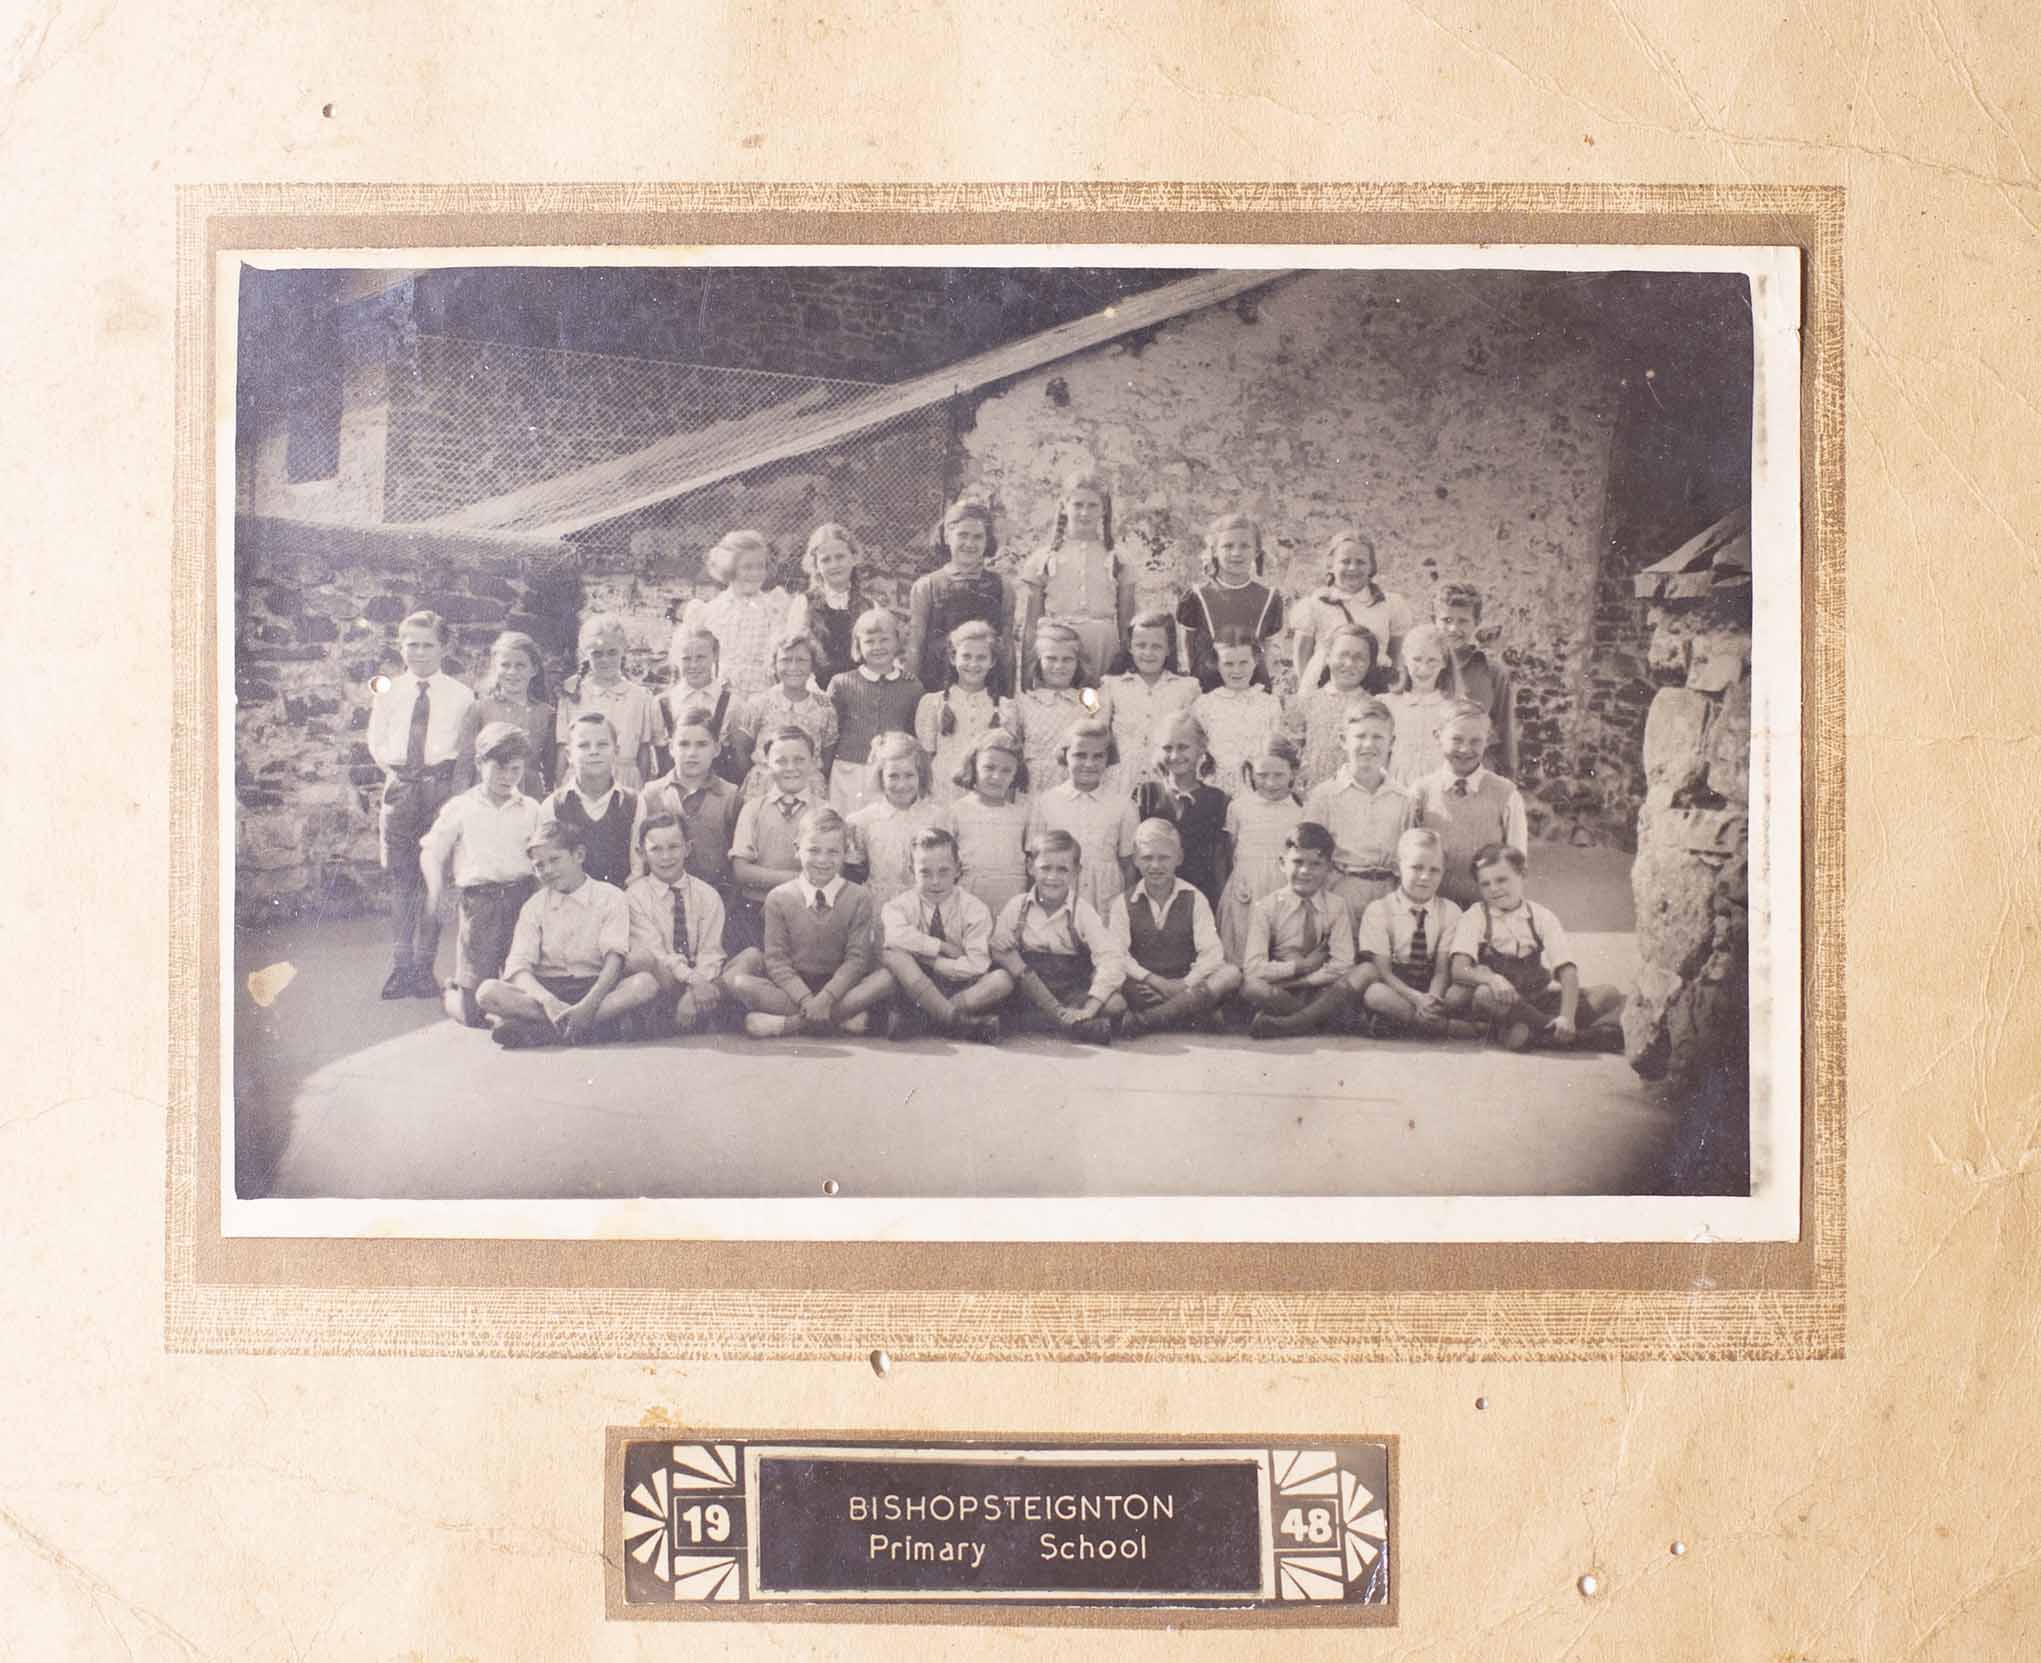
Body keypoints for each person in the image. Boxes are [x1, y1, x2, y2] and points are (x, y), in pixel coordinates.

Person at [475, 818, 660, 1048]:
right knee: (487, 992)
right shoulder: (534, 906)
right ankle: (595, 1028)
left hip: (595, 987)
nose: (548, 870)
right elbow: (518, 967)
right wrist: (548, 1001)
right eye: (539, 865)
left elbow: (615, 960)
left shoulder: (611, 897)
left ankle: (543, 1032)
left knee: (645, 983)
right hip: (548, 990)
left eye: (555, 859)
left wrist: (589, 1005)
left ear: (579, 855)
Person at [368, 609, 475, 998]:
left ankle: (424, 968)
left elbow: (464, 750)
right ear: (400, 646)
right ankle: (400, 968)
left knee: (434, 882)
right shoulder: (389, 691)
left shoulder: (462, 696)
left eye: (428, 645)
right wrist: (399, 774)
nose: (419, 652)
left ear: (444, 647)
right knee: (401, 881)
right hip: (402, 790)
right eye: (411, 644)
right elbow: (376, 742)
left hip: (440, 791)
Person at [722, 807, 893, 1038]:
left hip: (840, 988)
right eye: (813, 850)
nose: (822, 860)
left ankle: (788, 1025)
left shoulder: (858, 896)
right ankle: (840, 1020)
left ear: (846, 853)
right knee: (740, 982)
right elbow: (777, 962)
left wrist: (825, 999)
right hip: (792, 989)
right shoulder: (779, 897)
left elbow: (856, 961)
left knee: (886, 979)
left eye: (833, 852)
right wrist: (807, 1000)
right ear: (797, 849)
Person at [422, 721, 545, 1026]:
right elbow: (432, 850)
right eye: (499, 768)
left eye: (515, 769)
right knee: (472, 1014)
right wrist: (436, 890)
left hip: (523, 900)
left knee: (525, 984)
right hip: (480, 905)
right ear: (479, 764)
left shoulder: (531, 809)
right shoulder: (461, 807)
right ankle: (453, 992)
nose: (507, 777)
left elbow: (543, 858)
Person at [1448, 843, 1626, 1052]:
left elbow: (1567, 970)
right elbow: (1459, 969)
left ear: (1523, 875)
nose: (1494, 888)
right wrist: (1492, 978)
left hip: (1539, 999)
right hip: (1505, 1002)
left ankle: (1538, 1032)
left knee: (1609, 994)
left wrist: (1567, 1017)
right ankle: (1581, 1037)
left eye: (1501, 879)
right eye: (1485, 884)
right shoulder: (1475, 916)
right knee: (1483, 994)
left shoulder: (1541, 916)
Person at [1107, 819, 1242, 1038]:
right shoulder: (1122, 903)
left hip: (1187, 984)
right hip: (1145, 987)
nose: (1155, 865)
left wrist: (1182, 985)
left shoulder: (1195, 897)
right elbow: (1118, 955)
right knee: (1109, 979)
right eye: (1147, 858)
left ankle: (1148, 1020)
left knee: (1231, 973)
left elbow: (1212, 953)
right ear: (1135, 860)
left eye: (1164, 858)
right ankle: (1188, 1013)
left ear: (1179, 858)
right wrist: (1156, 982)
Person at [987, 829, 1123, 1043]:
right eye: (1045, 868)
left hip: (1069, 990)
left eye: (1062, 869)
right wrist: (999, 940)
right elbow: (997, 948)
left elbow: (1111, 958)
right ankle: (1067, 1023)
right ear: (1031, 867)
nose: (1052, 877)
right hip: (1026, 991)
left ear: (1076, 871)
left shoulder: (1082, 910)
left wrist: (1090, 1008)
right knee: (999, 977)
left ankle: (1036, 1022)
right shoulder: (1017, 906)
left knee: (1115, 1004)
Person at [878, 826, 1008, 1042]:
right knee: (893, 956)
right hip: (914, 985)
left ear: (958, 869)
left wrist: (931, 960)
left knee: (1002, 980)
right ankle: (955, 1021)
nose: (935, 881)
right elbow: (894, 937)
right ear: (911, 870)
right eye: (925, 872)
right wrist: (941, 947)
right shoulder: (898, 905)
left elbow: (977, 965)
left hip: (959, 988)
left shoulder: (974, 909)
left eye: (944, 871)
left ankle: (925, 1017)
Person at [1356, 827, 1484, 1039]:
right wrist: (1417, 999)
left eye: (1434, 870)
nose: (1425, 877)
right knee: (1374, 994)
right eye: (1416, 867)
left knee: (1459, 992)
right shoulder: (1379, 910)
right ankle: (1442, 1027)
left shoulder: (1450, 911)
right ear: (1398, 868)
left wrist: (1431, 999)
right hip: (1398, 987)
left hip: (1434, 986)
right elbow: (1384, 972)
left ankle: (1407, 1023)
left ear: (1443, 872)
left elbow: (1442, 971)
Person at [1016, 467, 1134, 688]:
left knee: (1095, 708)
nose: (1084, 512)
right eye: (1078, 504)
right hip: (1058, 649)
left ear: (1104, 510)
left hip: (1103, 647)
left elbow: (1128, 624)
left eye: (1093, 506)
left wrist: (1127, 667)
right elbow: (1031, 625)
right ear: (1063, 507)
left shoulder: (1118, 558)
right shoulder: (1043, 558)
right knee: (1062, 707)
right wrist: (1026, 677)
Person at [1240, 821, 1356, 1039]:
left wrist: (1302, 980)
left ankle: (1292, 1023)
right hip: (1282, 989)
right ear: (1282, 863)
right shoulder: (1266, 907)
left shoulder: (1337, 906)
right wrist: (1301, 966)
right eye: (1298, 862)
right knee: (1252, 988)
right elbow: (1253, 968)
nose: (1305, 871)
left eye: (1316, 864)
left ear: (1329, 867)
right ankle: (1319, 1020)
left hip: (1319, 987)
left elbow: (1343, 964)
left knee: (1361, 973)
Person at [1409, 701, 1530, 909]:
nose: (1465, 749)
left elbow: (1517, 862)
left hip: (1486, 910)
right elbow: (1408, 856)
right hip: (1432, 911)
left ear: (1488, 740)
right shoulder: (1421, 792)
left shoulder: (1505, 793)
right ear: (1437, 737)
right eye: (1456, 739)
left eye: (1476, 741)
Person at [1302, 698, 1415, 915]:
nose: (1368, 745)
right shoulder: (1324, 796)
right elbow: (1309, 855)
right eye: (1360, 736)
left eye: (1378, 737)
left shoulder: (1403, 798)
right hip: (1341, 892)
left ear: (1392, 742)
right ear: (1344, 740)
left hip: (1389, 896)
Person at [624, 812, 728, 1035]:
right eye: (656, 849)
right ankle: (660, 1017)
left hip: (701, 981)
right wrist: (692, 980)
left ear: (688, 849)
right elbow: (656, 953)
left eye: (673, 847)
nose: (666, 857)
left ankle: (699, 1009)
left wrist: (695, 989)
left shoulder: (707, 895)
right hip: (665, 980)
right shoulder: (634, 897)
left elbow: (711, 951)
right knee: (642, 957)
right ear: (641, 853)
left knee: (749, 956)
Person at [726, 726, 827, 953]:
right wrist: (794, 878)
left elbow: (828, 872)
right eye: (781, 761)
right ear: (767, 765)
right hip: (755, 908)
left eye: (799, 760)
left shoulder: (823, 812)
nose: (791, 768)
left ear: (813, 763)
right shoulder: (753, 809)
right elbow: (741, 871)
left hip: (806, 907)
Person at [1027, 718, 1139, 915]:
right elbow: (1034, 859)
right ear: (1065, 756)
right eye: (1080, 755)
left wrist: (1127, 910)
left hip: (1106, 895)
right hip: (1059, 892)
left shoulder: (1124, 806)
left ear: (1108, 758)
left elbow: (1129, 865)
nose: (1089, 764)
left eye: (1098, 756)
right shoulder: (1046, 802)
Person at [634, 708, 743, 905]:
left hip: (717, 898)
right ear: (670, 748)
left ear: (716, 749)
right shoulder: (652, 793)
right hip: (661, 900)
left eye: (702, 744)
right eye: (683, 744)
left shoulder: (730, 795)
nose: (692, 753)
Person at [907, 499, 1016, 695]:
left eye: (977, 537)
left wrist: (1008, 693)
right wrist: (911, 694)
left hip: (987, 685)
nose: (969, 544)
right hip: (938, 682)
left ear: (987, 540)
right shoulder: (926, 586)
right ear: (947, 536)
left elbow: (1007, 646)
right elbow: (916, 644)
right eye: (962, 535)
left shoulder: (1003, 586)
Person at [824, 606, 924, 817]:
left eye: (884, 640)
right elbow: (832, 732)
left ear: (897, 641)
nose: (877, 647)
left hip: (890, 774)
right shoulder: (841, 683)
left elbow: (913, 733)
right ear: (858, 645)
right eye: (869, 641)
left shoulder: (911, 686)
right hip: (848, 770)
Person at [1218, 736, 1306, 964]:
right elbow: (1230, 851)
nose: (1270, 783)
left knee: (1279, 947)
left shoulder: (1301, 812)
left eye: (1278, 775)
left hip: (1283, 885)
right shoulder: (1239, 808)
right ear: (1251, 773)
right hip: (1246, 887)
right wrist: (1238, 880)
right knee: (1242, 946)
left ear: (1293, 772)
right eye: (1262, 775)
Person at [1131, 711, 1231, 910]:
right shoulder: (1146, 794)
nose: (1175, 755)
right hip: (1152, 901)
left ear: (1201, 747)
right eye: (1167, 748)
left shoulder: (1218, 800)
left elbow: (1221, 861)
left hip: (1201, 901)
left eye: (1183, 747)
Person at [1290, 529, 1413, 689]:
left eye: (1361, 562)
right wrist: (1309, 693)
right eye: (1345, 561)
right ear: (1331, 566)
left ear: (1371, 567)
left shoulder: (1389, 604)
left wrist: (1396, 689)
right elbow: (1302, 658)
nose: (1352, 568)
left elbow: (1396, 655)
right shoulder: (1315, 604)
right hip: (1328, 687)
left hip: (1375, 687)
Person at [681, 529, 795, 701]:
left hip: (765, 697)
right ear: (730, 569)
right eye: (747, 567)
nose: (756, 574)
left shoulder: (775, 608)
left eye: (760, 567)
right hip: (720, 699)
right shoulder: (710, 611)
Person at [553, 613, 664, 789]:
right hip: (580, 780)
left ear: (623, 650)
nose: (605, 659)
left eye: (612, 652)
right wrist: (558, 788)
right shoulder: (572, 693)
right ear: (585, 655)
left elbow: (643, 751)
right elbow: (563, 748)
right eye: (597, 654)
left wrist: (641, 789)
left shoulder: (640, 697)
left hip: (625, 780)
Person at [1177, 511, 1284, 691]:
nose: (1236, 553)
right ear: (1214, 551)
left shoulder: (1268, 598)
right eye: (1228, 546)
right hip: (1208, 685)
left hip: (1253, 685)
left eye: (1244, 546)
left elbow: (1268, 647)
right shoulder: (1197, 596)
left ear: (1257, 552)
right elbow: (1188, 645)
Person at [847, 730, 953, 908]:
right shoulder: (863, 820)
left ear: (921, 775)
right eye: (893, 776)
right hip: (880, 907)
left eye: (909, 775)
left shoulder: (937, 818)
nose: (902, 785)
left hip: (923, 907)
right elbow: (855, 873)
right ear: (881, 777)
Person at [915, 619, 1015, 805]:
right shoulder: (933, 703)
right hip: (941, 793)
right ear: (953, 658)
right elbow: (925, 759)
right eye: (966, 656)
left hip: (983, 793)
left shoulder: (1004, 707)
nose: (973, 664)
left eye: (981, 658)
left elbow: (1008, 759)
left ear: (992, 662)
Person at [731, 629, 838, 795]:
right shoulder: (759, 703)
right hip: (764, 788)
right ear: (774, 664)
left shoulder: (824, 708)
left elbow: (827, 755)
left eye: (801, 660)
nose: (793, 667)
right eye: (785, 660)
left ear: (813, 664)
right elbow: (741, 749)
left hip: (808, 789)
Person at [1103, 608, 1200, 788]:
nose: (1148, 653)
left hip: (1168, 779)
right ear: (1130, 647)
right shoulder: (1111, 686)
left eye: (1156, 646)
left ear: (1169, 649)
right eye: (1141, 645)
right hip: (1121, 780)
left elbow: (1193, 736)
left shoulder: (1187, 688)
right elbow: (1099, 731)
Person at [544, 712, 639, 889]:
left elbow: (638, 869)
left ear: (616, 751)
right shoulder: (554, 805)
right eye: (584, 746)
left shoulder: (634, 802)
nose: (594, 752)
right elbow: (551, 867)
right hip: (571, 903)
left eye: (602, 745)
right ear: (569, 755)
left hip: (622, 902)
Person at [456, 630, 555, 797]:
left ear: (534, 669)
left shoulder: (546, 713)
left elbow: (550, 768)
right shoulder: (480, 708)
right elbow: (465, 763)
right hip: (486, 792)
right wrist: (459, 802)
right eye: (505, 665)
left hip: (528, 794)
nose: (512, 672)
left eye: (520, 665)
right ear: (495, 668)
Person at [1432, 580, 1516, 777]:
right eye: (1446, 620)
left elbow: (1505, 733)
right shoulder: (1420, 669)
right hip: (1430, 770)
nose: (1453, 629)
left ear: (1476, 623)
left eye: (1463, 621)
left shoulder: (1493, 672)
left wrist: (1508, 782)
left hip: (1476, 771)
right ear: (1434, 620)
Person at [1287, 622, 1383, 792]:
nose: (1349, 663)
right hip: (1311, 790)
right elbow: (1293, 752)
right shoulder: (1307, 702)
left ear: (1370, 664)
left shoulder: (1374, 707)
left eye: (1359, 658)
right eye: (1342, 655)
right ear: (1328, 656)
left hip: (1355, 792)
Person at [949, 729, 1032, 919]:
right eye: (989, 768)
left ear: (1015, 775)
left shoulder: (1022, 813)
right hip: (970, 892)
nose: (997, 776)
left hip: (1011, 894)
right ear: (973, 767)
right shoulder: (957, 811)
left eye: (1006, 770)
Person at [1191, 630, 1283, 797]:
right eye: (1228, 664)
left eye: (1243, 662)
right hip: (1216, 788)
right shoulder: (1204, 704)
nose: (1237, 670)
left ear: (1255, 661)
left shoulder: (1269, 703)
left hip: (1257, 788)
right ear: (1216, 664)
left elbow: (1276, 750)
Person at [1010, 619, 1098, 794]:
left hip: (1076, 785)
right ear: (1038, 661)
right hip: (1034, 786)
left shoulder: (1088, 698)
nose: (1059, 666)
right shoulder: (1023, 702)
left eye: (1067, 659)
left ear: (1078, 662)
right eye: (1051, 658)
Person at [786, 522, 870, 686]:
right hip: (817, 691)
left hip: (858, 692)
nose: (834, 565)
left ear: (853, 558)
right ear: (816, 566)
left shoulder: (868, 606)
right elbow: (795, 654)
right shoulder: (804, 603)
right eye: (825, 560)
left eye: (840, 557)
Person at [661, 625, 741, 786]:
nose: (694, 665)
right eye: (686, 658)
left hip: (717, 790)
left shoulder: (733, 704)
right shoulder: (663, 702)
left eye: (701, 657)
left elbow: (739, 756)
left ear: (715, 656)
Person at [1383, 623, 1455, 787]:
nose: (1423, 668)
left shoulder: (1452, 707)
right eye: (1417, 659)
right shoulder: (1388, 704)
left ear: (1444, 663)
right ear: (1405, 660)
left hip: (1438, 787)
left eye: (1432, 661)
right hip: (1397, 787)